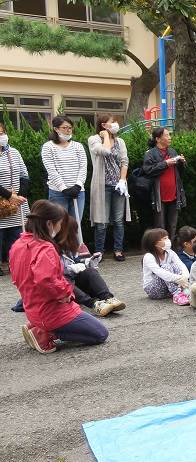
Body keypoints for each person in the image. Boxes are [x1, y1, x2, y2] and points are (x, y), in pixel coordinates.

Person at [10, 200, 108, 353]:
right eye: (59, 223)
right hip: (52, 311)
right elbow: (46, 280)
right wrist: (66, 293)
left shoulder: (18, 244)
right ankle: (45, 332)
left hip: (33, 307)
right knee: (100, 334)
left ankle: (39, 326)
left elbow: (19, 278)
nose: (60, 227)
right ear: (49, 224)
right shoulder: (46, 248)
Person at [56, 214, 124, 317]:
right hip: (62, 289)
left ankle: (108, 298)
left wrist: (89, 261)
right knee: (63, 279)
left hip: (76, 284)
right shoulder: (49, 248)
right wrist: (70, 269)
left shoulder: (70, 247)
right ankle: (94, 304)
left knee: (91, 271)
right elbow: (52, 276)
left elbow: (79, 263)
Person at [86, 114, 131, 261]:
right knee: (102, 221)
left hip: (118, 186)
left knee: (118, 220)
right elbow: (105, 151)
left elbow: (124, 161)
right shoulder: (94, 140)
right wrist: (106, 136)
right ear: (104, 125)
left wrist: (123, 180)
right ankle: (99, 251)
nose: (116, 124)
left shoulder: (121, 141)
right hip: (102, 185)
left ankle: (118, 250)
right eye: (113, 122)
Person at [142, 127, 187, 241]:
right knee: (160, 226)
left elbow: (180, 174)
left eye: (169, 135)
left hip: (174, 194)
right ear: (158, 139)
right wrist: (165, 164)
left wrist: (182, 163)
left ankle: (170, 247)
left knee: (172, 224)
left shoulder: (172, 151)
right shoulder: (150, 154)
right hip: (159, 195)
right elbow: (148, 170)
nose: (169, 137)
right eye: (166, 135)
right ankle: (160, 248)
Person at [41, 116, 87, 220]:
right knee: (59, 227)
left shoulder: (78, 146)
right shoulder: (48, 147)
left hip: (78, 192)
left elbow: (83, 167)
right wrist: (63, 188)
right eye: (64, 127)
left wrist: (78, 186)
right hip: (58, 193)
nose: (68, 130)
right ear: (56, 129)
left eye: (70, 128)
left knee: (75, 226)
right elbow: (51, 170)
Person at [0, 121, 29, 276]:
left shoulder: (14, 152)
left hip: (17, 203)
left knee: (17, 236)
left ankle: (16, 264)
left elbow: (24, 175)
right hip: (3, 202)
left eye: (2, 133)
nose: (2, 136)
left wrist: (21, 196)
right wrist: (9, 195)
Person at [141, 228, 190, 305]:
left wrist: (185, 277)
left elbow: (181, 265)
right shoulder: (149, 256)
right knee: (166, 267)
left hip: (167, 289)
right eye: (164, 238)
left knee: (175, 266)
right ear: (154, 243)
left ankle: (186, 292)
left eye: (167, 238)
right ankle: (177, 294)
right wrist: (178, 278)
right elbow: (160, 273)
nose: (168, 240)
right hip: (153, 290)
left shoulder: (170, 253)